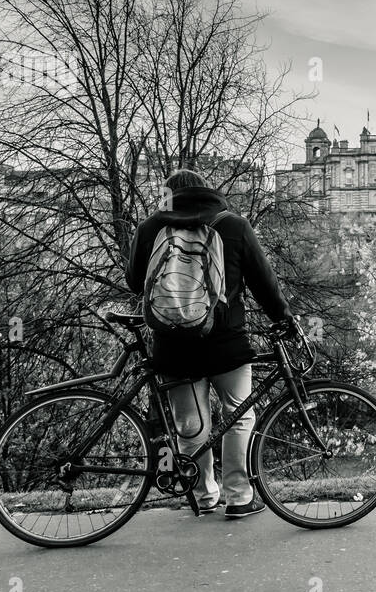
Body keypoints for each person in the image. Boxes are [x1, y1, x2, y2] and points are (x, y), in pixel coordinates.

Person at [125, 169, 294, 519]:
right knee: (239, 415)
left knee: (191, 425)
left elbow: (132, 282)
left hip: (173, 343)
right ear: (206, 190)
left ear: (168, 195)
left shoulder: (150, 228)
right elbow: (263, 281)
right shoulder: (232, 224)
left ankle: (203, 495)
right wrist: (284, 318)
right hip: (226, 340)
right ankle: (239, 497)